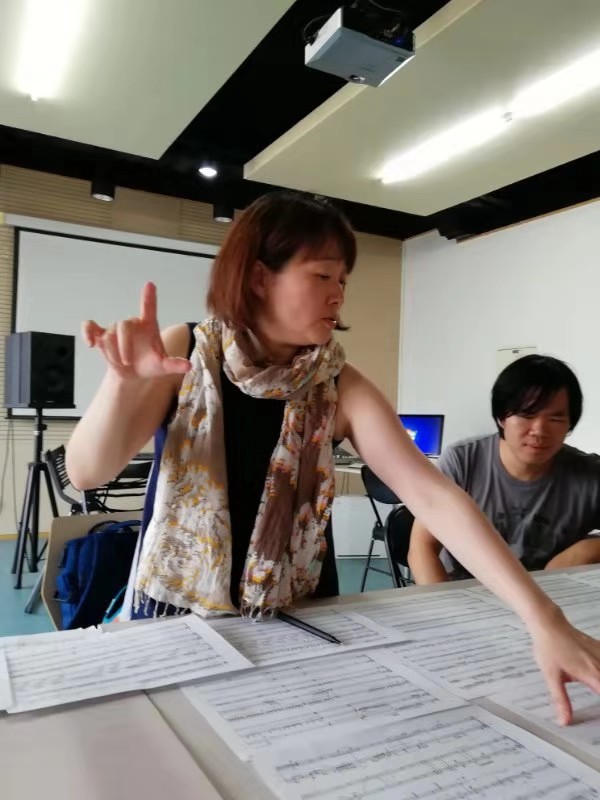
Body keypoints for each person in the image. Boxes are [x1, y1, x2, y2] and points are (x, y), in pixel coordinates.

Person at [66, 191, 600, 725]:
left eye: (343, 279)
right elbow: (87, 472)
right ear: (259, 278)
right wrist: (122, 383)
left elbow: (433, 496)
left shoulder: (337, 384)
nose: (338, 294)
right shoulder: (188, 351)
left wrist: (544, 619)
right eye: (323, 275)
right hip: (178, 618)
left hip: (298, 616)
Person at [408, 355, 600, 584]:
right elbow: (422, 548)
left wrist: (588, 549)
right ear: (501, 417)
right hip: (466, 593)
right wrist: (442, 604)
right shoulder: (463, 462)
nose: (539, 430)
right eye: (527, 414)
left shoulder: (590, 474)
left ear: (570, 423)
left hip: (550, 596)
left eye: (556, 418)